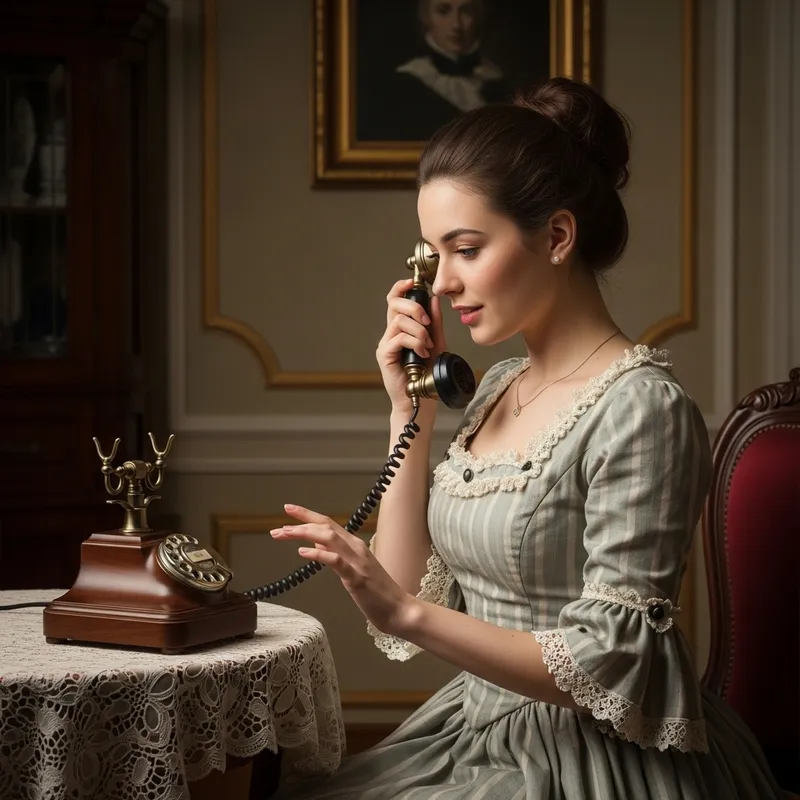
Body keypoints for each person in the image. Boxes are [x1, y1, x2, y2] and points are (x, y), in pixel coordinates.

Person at [270, 77, 784, 798]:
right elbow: (407, 590)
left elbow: (608, 661)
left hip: (594, 757)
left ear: (557, 236)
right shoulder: (498, 385)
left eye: (467, 249)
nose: (441, 284)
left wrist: (408, 614)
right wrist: (409, 413)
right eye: (433, 257)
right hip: (476, 727)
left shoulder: (642, 409)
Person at [359, 0, 509, 142]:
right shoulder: (404, 83)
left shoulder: (496, 82)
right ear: (426, 18)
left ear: (478, 17)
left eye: (466, 12)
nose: (456, 25)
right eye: (443, 11)